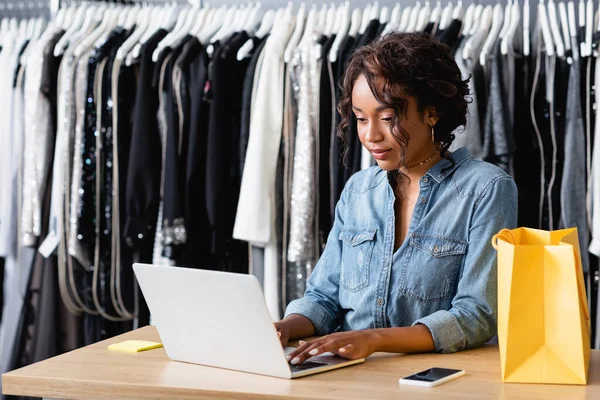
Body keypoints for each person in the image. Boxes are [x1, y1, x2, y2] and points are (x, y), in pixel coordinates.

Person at [276, 33, 518, 366]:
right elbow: (323, 298)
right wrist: (284, 328)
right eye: (361, 118)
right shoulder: (358, 191)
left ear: (431, 113)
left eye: (387, 118)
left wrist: (373, 340)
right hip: (349, 374)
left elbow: (475, 315)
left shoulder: (486, 189)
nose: (371, 135)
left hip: (434, 378)